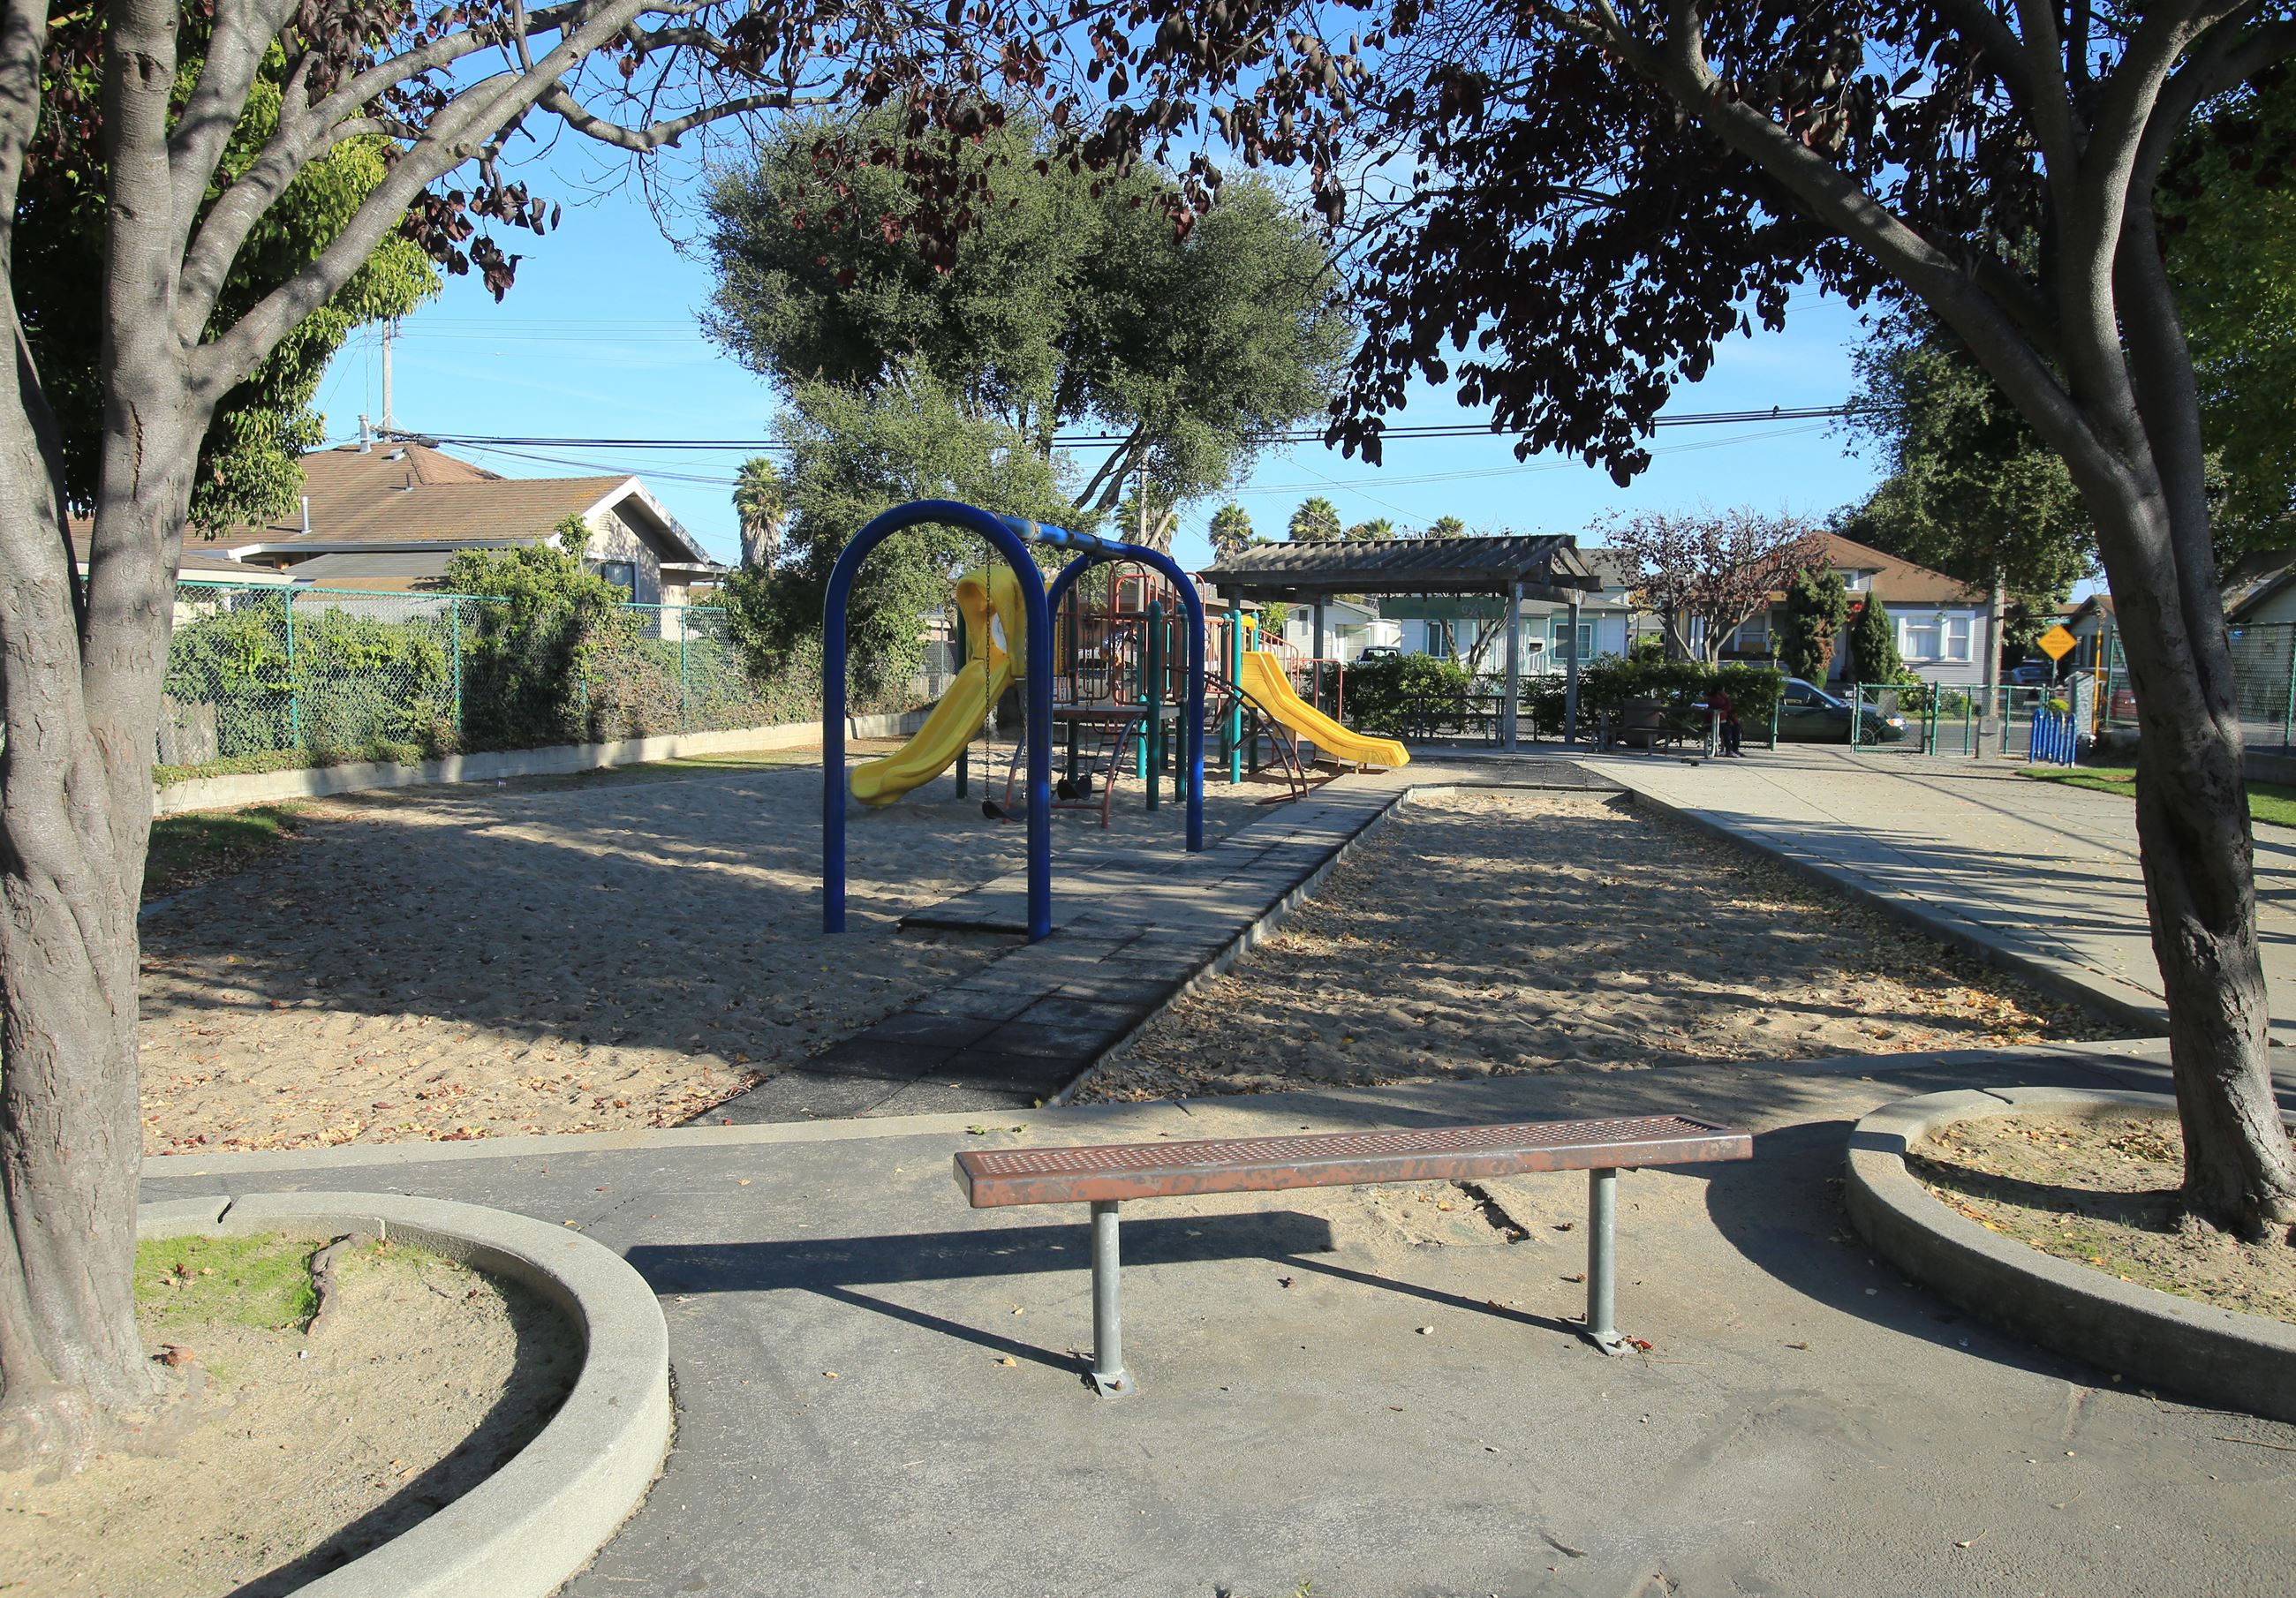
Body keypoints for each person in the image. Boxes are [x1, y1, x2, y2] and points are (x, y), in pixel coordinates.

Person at [1705, 683, 1743, 757]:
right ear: (1719, 691)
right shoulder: (1713, 700)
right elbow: (1726, 708)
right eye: (1723, 691)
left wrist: (1736, 723)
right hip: (1712, 723)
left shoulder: (1721, 699)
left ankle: (1735, 749)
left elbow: (1728, 711)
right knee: (1727, 730)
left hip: (1721, 723)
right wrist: (1727, 698)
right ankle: (1729, 750)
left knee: (1736, 729)